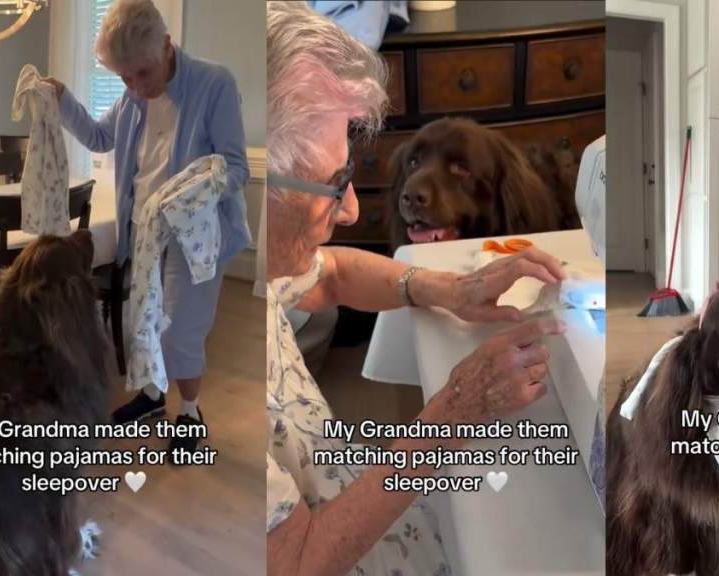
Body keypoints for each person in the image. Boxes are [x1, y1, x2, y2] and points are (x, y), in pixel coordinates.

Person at [264, 3, 566, 574]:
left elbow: (329, 272)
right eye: (334, 184)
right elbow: (298, 560)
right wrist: (454, 412)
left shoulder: (269, 265)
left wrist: (448, 288)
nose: (353, 209)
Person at [44, 0, 250, 455]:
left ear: (167, 47)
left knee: (181, 331)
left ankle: (191, 412)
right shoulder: (132, 94)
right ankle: (154, 397)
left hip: (194, 234)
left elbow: (236, 168)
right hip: (143, 228)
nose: (136, 87)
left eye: (142, 73)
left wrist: (187, 192)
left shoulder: (213, 84)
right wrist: (63, 101)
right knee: (146, 322)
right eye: (124, 78)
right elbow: (100, 138)